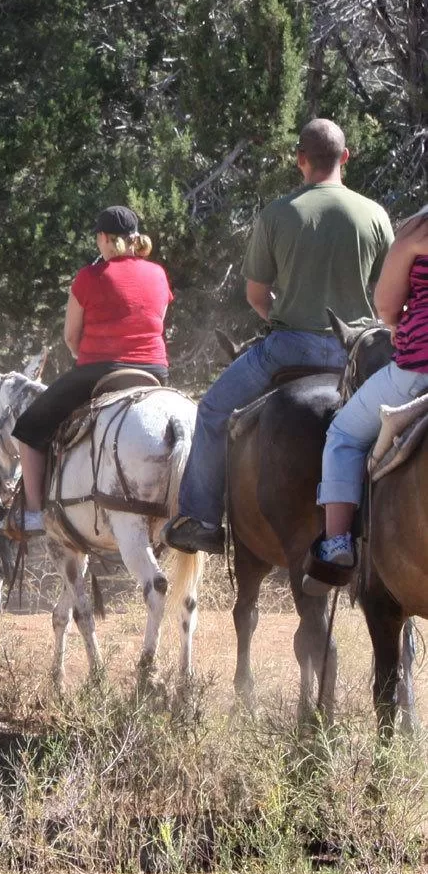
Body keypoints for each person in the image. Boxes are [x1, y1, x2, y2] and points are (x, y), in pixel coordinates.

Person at [164, 119, 393, 555]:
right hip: (358, 354)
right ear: (346, 157)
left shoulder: (277, 214)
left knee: (212, 409)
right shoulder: (376, 215)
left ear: (300, 160)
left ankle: (204, 519)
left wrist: (284, 317)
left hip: (289, 347)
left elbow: (255, 295)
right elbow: (388, 299)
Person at [0, 206, 172, 536]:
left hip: (99, 372)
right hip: (153, 371)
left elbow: (70, 336)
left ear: (104, 239)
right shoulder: (158, 273)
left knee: (29, 429)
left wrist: (84, 356)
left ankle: (33, 513)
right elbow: (157, 322)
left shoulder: (89, 277)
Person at [310, 208, 428, 576]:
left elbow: (387, 304)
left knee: (343, 434)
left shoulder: (418, 229)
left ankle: (337, 543)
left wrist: (394, 323)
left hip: (418, 369)